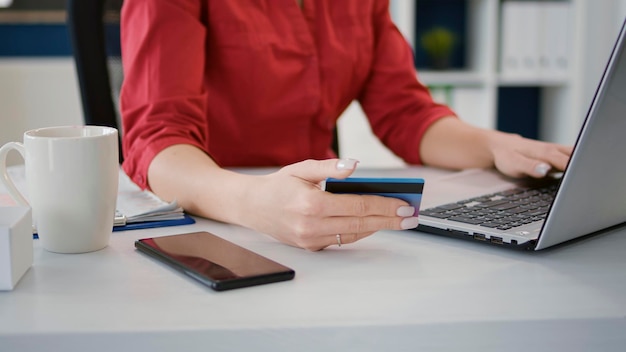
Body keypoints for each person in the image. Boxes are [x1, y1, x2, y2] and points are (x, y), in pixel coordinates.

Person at [119, 0, 572, 251]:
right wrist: (252, 201)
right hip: (209, 221)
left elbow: (405, 113)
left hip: (314, 223)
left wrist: (496, 145)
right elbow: (159, 138)